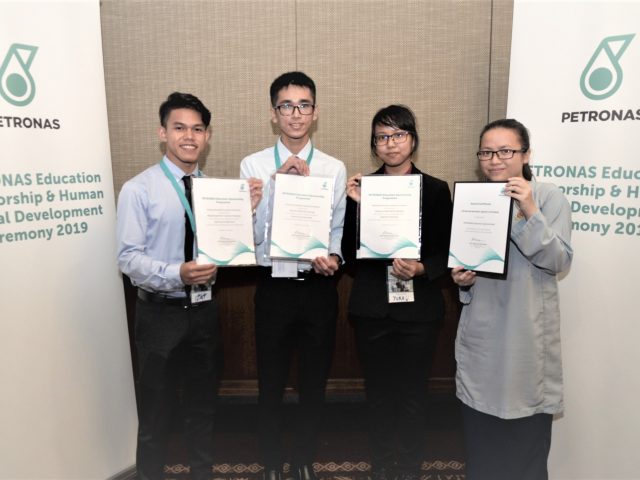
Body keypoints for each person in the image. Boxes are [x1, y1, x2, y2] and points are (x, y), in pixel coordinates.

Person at [116, 92, 262, 480]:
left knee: (203, 408)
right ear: (162, 133)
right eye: (179, 128)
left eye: (198, 129)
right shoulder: (139, 189)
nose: (189, 136)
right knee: (155, 413)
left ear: (207, 136)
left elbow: (230, 249)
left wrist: (245, 213)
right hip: (158, 313)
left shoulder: (216, 192)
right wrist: (175, 273)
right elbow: (128, 259)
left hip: (204, 310)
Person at [451, 119, 573, 480]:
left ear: (526, 154)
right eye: (486, 152)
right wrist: (463, 281)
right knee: (482, 452)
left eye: (505, 151)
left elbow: (558, 260)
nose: (495, 160)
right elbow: (465, 267)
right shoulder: (473, 200)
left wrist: (527, 211)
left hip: (525, 340)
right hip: (481, 337)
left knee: (525, 456)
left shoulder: (547, 197)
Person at [239, 71, 346, 480]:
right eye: (287, 105)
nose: (296, 114)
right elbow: (249, 236)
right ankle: (270, 462)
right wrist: (275, 186)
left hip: (318, 287)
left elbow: (337, 227)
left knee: (314, 381)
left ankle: (303, 459)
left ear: (315, 113)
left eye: (304, 105)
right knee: (270, 380)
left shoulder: (333, 167)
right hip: (274, 286)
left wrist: (333, 257)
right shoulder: (253, 164)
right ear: (274, 113)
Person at [342, 105, 453, 480]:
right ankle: (381, 465)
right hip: (372, 309)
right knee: (377, 395)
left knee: (412, 395)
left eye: (398, 135)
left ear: (413, 140)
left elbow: (447, 252)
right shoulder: (361, 190)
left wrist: (422, 268)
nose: (390, 143)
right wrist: (357, 208)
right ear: (374, 145)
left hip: (419, 312)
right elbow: (348, 256)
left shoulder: (435, 190)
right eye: (382, 137)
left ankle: (408, 468)